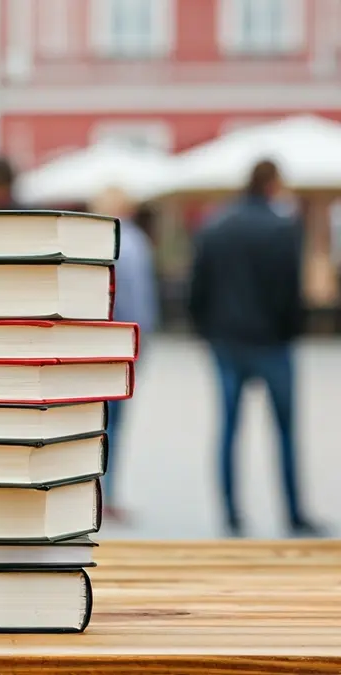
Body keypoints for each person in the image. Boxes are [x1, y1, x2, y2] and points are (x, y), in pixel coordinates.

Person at [188, 159, 327, 538]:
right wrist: (290, 332)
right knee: (284, 431)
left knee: (229, 429)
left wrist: (208, 331)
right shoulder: (283, 227)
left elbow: (197, 287)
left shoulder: (214, 225)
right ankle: (294, 513)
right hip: (273, 343)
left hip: (226, 341)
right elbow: (290, 291)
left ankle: (231, 515)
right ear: (272, 184)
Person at [90, 187, 159, 522]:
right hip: (119, 347)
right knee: (113, 426)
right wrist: (140, 348)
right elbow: (141, 301)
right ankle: (107, 496)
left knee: (90, 425)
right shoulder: (133, 243)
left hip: (89, 347)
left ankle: (90, 495)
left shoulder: (88, 241)